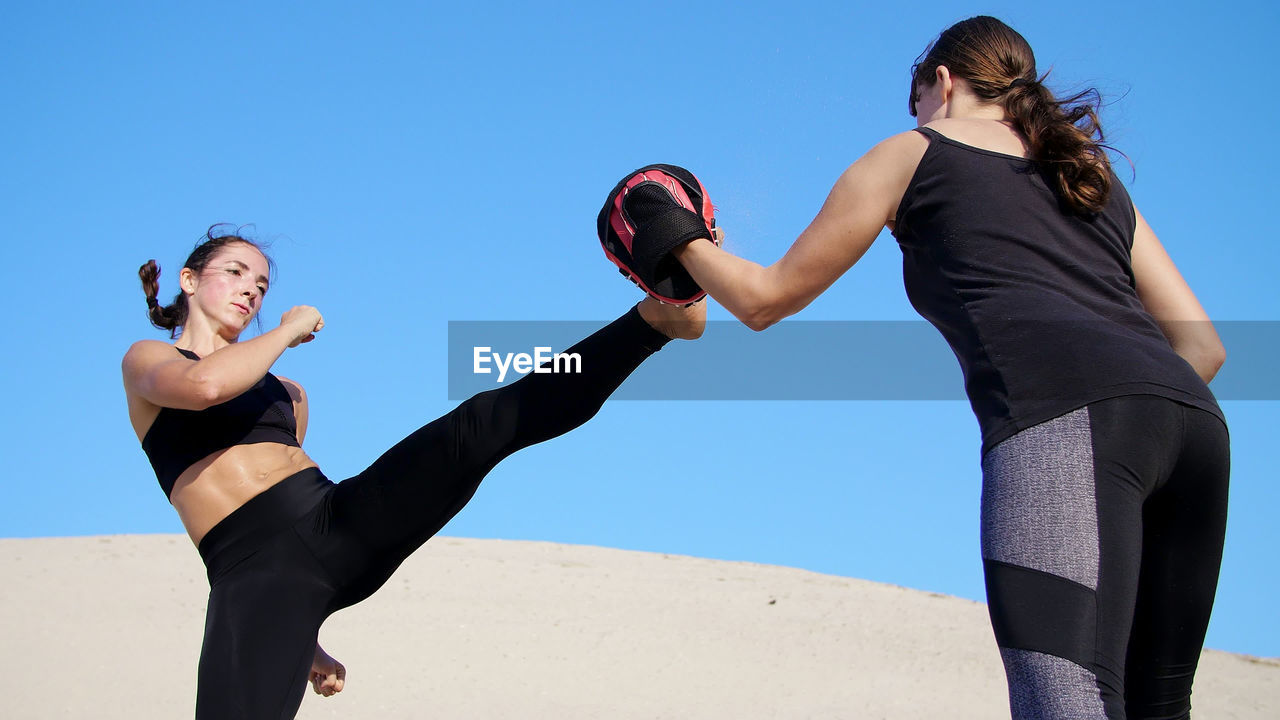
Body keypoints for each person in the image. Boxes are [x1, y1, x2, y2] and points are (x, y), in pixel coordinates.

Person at [661, 16, 1229, 720]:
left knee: (1067, 699)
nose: (919, 117)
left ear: (943, 81)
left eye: (918, 103)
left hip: (1064, 418)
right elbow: (1206, 348)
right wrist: (1134, 412)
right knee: (1159, 706)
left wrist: (674, 233)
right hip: (1196, 431)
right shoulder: (1089, 174)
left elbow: (763, 299)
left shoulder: (912, 153)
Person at [122, 225, 706, 719]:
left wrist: (308, 637)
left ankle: (653, 323)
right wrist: (285, 330)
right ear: (189, 280)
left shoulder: (287, 393)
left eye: (261, 284)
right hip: (254, 579)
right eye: (235, 273)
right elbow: (205, 386)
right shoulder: (150, 360)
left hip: (336, 522)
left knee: (481, 426)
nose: (250, 290)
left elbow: (290, 509)